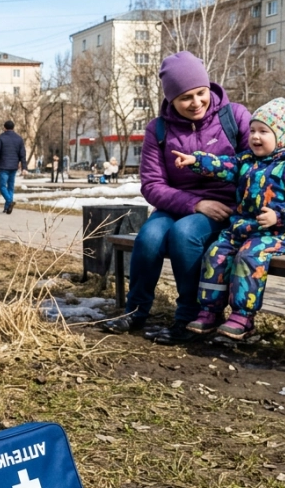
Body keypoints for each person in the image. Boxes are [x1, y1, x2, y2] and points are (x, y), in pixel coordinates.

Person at [102, 51, 251, 345]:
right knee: (150, 236)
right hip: (179, 205)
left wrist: (223, 203)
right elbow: (152, 185)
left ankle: (189, 317)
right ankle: (136, 310)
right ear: (172, 100)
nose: (196, 102)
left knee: (184, 234)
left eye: (200, 93)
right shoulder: (158, 130)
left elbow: (253, 167)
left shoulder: (234, 117)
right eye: (185, 98)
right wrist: (194, 203)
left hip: (224, 210)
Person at [174, 98, 285, 339]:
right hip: (242, 230)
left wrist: (279, 216)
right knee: (215, 253)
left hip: (275, 234)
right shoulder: (246, 162)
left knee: (249, 256)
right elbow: (224, 165)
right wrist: (196, 160)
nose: (255, 137)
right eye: (252, 130)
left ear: (282, 136)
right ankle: (210, 311)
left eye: (264, 131)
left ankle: (243, 315)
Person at [0, 120, 26, 214]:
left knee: (2, 187)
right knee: (10, 187)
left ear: (4, 127)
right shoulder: (19, 139)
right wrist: (24, 167)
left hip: (3, 166)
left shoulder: (1, 138)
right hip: (14, 166)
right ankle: (7, 208)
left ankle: (9, 201)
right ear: (13, 128)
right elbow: (22, 154)